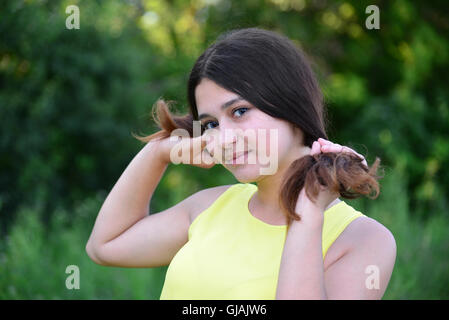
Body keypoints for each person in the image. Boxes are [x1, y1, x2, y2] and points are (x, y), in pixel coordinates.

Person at [85, 27, 396, 300]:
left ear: (291, 103)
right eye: (210, 124)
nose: (222, 139)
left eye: (239, 112)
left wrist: (308, 210)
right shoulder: (211, 206)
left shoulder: (364, 240)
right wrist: (157, 153)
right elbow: (106, 246)